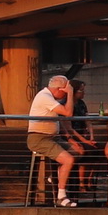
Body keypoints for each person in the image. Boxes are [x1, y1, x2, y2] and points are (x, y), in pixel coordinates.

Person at [26, 73, 80, 206]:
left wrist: (70, 139)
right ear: (59, 89)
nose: (66, 94)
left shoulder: (50, 97)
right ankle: (61, 196)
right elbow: (68, 113)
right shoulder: (44, 97)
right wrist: (71, 94)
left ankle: (55, 177)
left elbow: (59, 120)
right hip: (39, 138)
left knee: (78, 152)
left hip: (53, 137)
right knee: (68, 159)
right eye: (65, 91)